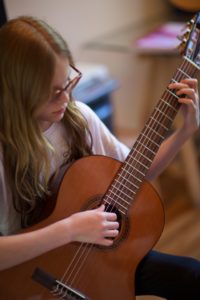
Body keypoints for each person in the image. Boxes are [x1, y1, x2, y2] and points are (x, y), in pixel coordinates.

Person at [0, 16, 199, 299]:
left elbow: (133, 174)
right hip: (34, 276)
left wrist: (184, 132)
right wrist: (70, 229)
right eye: (53, 93)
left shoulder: (78, 118)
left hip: (96, 258)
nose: (66, 99)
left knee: (192, 276)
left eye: (68, 82)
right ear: (17, 93)